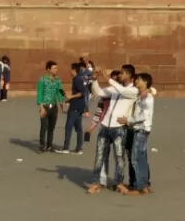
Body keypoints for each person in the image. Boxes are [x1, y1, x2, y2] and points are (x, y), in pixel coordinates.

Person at [87, 64, 139, 192]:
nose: (120, 75)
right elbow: (99, 92)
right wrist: (95, 79)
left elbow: (122, 91)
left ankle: (119, 183)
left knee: (119, 157)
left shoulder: (133, 91)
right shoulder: (115, 88)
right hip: (105, 126)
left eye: (122, 73)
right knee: (99, 156)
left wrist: (106, 76)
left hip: (119, 128)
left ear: (129, 75)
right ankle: (96, 182)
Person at [117, 73, 155, 196]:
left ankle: (140, 187)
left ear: (145, 82)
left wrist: (127, 120)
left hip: (141, 130)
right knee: (140, 158)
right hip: (139, 129)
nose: (136, 81)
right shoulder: (142, 95)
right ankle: (143, 185)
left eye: (139, 79)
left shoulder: (147, 97)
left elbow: (144, 115)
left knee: (136, 158)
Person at [57, 63, 86, 155]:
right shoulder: (77, 79)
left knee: (68, 127)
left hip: (75, 107)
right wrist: (69, 100)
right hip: (78, 106)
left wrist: (71, 96)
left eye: (71, 69)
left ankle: (66, 148)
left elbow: (82, 93)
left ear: (74, 70)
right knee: (78, 128)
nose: (69, 71)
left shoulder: (77, 79)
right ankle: (79, 149)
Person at [36, 60, 63, 153]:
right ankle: (41, 145)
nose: (56, 70)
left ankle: (49, 145)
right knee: (44, 127)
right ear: (48, 69)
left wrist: (61, 104)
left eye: (57, 68)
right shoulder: (42, 80)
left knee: (51, 128)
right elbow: (40, 93)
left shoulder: (58, 80)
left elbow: (60, 92)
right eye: (54, 68)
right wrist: (41, 107)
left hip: (54, 106)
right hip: (45, 106)